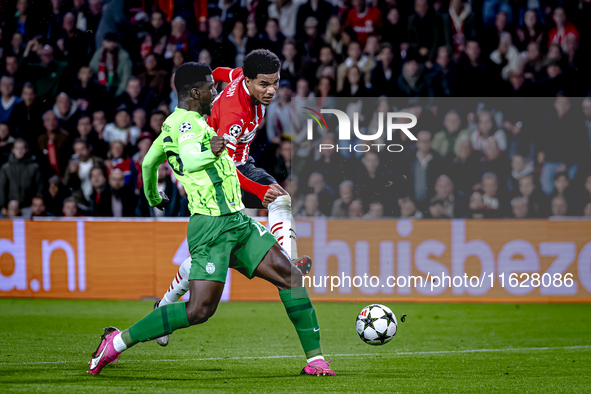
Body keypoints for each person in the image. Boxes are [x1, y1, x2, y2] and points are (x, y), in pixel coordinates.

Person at [87, 62, 334, 377]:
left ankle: (315, 360)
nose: (214, 92)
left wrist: (152, 196)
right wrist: (213, 151)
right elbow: (191, 159)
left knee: (290, 278)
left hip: (238, 222)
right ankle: (116, 341)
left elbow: (148, 163)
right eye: (209, 88)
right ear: (194, 92)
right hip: (211, 227)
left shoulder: (177, 125)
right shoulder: (187, 125)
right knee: (200, 310)